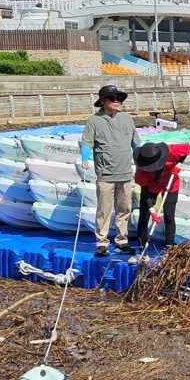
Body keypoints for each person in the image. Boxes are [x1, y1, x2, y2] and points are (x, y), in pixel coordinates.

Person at [80, 85, 141, 258]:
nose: (117, 101)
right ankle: (101, 243)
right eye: (113, 98)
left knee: (124, 208)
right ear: (103, 101)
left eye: (119, 99)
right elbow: (86, 143)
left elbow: (136, 142)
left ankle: (122, 241)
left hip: (125, 173)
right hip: (105, 174)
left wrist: (143, 160)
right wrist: (85, 159)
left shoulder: (127, 118)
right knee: (104, 210)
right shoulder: (94, 120)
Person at [133, 142, 190, 251]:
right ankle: (142, 247)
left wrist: (178, 163)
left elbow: (187, 148)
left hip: (170, 182)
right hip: (151, 187)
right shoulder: (141, 170)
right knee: (144, 217)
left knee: (169, 215)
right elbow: (145, 192)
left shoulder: (172, 150)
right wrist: (152, 211)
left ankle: (169, 247)